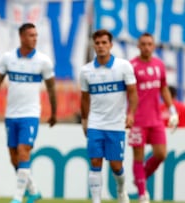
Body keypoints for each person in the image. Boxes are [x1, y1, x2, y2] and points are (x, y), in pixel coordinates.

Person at [0, 22, 57, 203]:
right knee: (14, 158)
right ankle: (34, 190)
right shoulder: (8, 59)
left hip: (30, 114)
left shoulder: (43, 61)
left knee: (24, 151)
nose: (34, 38)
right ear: (22, 37)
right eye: (31, 35)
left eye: (36, 35)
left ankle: (18, 196)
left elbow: (52, 89)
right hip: (11, 114)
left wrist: (53, 112)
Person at [80, 29, 138, 203]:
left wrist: (131, 114)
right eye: (97, 43)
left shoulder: (123, 66)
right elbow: (84, 98)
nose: (101, 46)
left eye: (104, 43)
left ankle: (121, 190)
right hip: (95, 123)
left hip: (116, 124)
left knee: (115, 165)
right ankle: (96, 200)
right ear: (93, 45)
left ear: (111, 45)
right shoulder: (86, 71)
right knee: (95, 161)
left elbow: (133, 93)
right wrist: (84, 121)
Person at [129, 33, 179, 203]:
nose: (146, 47)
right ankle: (143, 195)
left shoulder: (159, 65)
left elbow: (164, 88)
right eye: (143, 44)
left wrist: (172, 110)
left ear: (154, 46)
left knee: (161, 154)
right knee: (138, 155)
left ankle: (140, 177)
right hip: (137, 119)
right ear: (138, 46)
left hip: (156, 119)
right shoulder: (131, 66)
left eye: (150, 44)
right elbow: (127, 93)